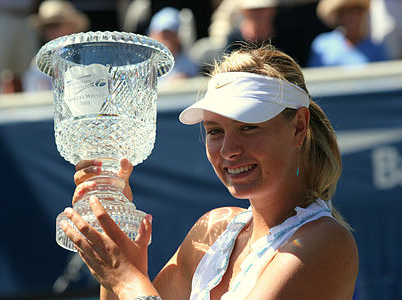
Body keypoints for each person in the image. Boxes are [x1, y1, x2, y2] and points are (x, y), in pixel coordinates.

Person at [60, 44, 359, 299]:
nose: (229, 149)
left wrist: (127, 280)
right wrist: (116, 263)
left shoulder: (324, 242)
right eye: (215, 131)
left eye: (248, 127)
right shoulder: (213, 228)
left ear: (298, 127)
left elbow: (135, 291)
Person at [23, 0, 90, 92]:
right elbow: (36, 97)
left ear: (72, 25)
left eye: (56, 25)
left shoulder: (90, 54)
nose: (51, 31)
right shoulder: (39, 62)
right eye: (46, 26)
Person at [308, 0, 389, 67]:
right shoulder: (322, 44)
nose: (351, 17)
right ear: (338, 16)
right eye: (346, 12)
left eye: (355, 11)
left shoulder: (375, 47)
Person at [147, 7, 199, 84]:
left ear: (177, 36)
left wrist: (186, 82)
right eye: (157, 34)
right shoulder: (143, 67)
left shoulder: (190, 65)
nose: (161, 40)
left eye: (167, 34)